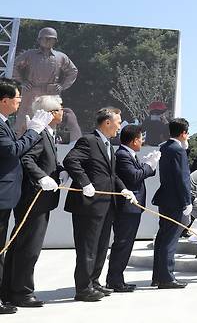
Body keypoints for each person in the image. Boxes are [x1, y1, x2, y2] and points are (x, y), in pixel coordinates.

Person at [63, 108, 137, 302]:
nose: (120, 127)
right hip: (88, 205)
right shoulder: (88, 141)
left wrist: (123, 189)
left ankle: (94, 282)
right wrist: (85, 183)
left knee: (101, 247)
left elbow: (111, 175)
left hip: (105, 205)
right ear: (107, 122)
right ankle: (83, 288)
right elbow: (71, 160)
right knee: (87, 248)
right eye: (118, 122)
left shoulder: (107, 145)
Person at [1, 95, 64, 308]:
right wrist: (41, 177)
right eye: (59, 109)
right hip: (34, 199)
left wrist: (58, 172)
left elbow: (44, 160)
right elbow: (26, 158)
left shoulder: (47, 133)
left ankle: (9, 289)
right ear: (50, 113)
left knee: (21, 244)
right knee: (28, 247)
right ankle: (22, 292)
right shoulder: (38, 134)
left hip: (40, 198)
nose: (62, 112)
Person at [105, 124, 159, 292]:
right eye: (141, 138)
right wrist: (149, 165)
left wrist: (146, 165)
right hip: (126, 207)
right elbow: (135, 177)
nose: (142, 141)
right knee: (122, 243)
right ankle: (114, 280)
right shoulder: (122, 155)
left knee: (126, 243)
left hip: (133, 207)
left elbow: (137, 173)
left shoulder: (129, 154)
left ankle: (117, 278)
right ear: (134, 140)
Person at [12, 27, 78, 135]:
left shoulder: (60, 57)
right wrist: (22, 81)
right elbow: (15, 66)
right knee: (24, 120)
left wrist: (62, 85)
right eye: (45, 38)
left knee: (50, 121)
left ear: (55, 41)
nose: (47, 41)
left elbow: (73, 71)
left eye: (51, 39)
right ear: (39, 40)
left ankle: (47, 146)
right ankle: (21, 143)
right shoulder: (30, 55)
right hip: (31, 91)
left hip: (51, 93)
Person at [151, 118, 192, 289]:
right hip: (176, 201)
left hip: (165, 199)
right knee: (170, 239)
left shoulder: (165, 147)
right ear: (183, 133)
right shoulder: (178, 150)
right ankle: (167, 277)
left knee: (162, 238)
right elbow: (182, 178)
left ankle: (158, 276)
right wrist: (187, 201)